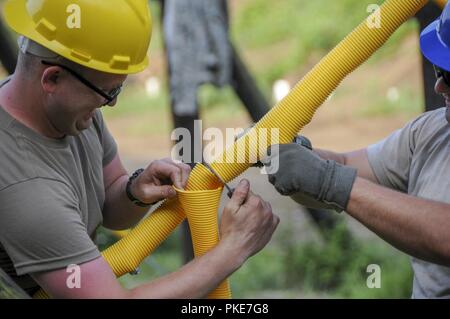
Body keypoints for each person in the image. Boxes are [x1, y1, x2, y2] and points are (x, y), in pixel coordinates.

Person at [0, 0, 279, 298]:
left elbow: (110, 206)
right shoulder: (25, 188)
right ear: (53, 78)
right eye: (107, 92)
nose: (112, 103)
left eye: (117, 90)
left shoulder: (68, 113)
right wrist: (234, 248)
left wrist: (134, 191)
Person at [263, 3, 450, 299]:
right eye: (439, 71)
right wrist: (293, 154)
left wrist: (330, 182)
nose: (439, 87)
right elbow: (348, 163)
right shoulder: (431, 132)